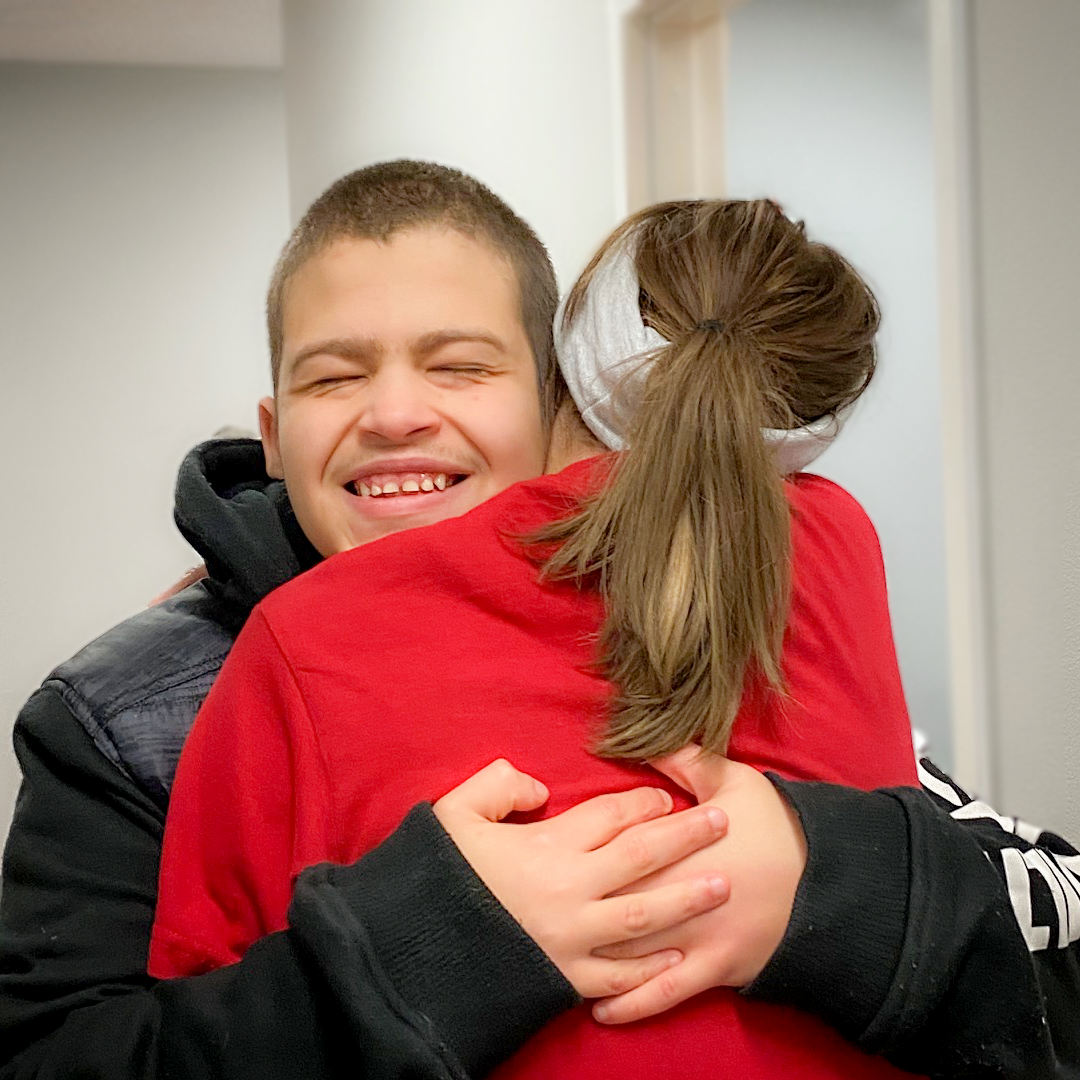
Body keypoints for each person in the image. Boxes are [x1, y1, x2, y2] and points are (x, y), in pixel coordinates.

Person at [0, 162, 1075, 1080]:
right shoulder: (125, 714)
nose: (395, 414)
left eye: (461, 365)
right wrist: (425, 948)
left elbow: (1054, 951)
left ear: (558, 401)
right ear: (273, 436)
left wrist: (840, 887)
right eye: (335, 377)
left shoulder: (749, 610)